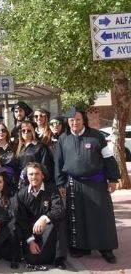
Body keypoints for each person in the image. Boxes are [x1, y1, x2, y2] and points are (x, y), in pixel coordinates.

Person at [56, 110, 119, 263]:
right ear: (67, 122)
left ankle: (106, 248)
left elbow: (108, 157)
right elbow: (58, 163)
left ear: (83, 120)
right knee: (77, 217)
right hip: (73, 184)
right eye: (71, 120)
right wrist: (60, 183)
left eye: (77, 119)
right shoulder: (63, 139)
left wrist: (113, 178)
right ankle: (80, 247)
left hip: (96, 183)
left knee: (101, 217)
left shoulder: (97, 136)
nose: (74, 123)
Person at [16, 162, 66, 270]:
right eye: (31, 174)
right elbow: (22, 220)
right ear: (27, 176)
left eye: (37, 174)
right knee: (32, 260)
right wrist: (30, 241)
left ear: (42, 175)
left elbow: (60, 209)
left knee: (60, 222)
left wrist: (44, 218)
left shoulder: (52, 189)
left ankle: (59, 259)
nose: (34, 177)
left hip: (47, 226)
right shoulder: (21, 194)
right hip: (31, 230)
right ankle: (41, 254)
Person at [16, 121, 54, 186]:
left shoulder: (41, 147)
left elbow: (46, 167)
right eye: (23, 131)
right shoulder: (19, 148)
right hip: (23, 184)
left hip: (37, 182)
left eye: (29, 130)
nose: (26, 132)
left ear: (33, 132)